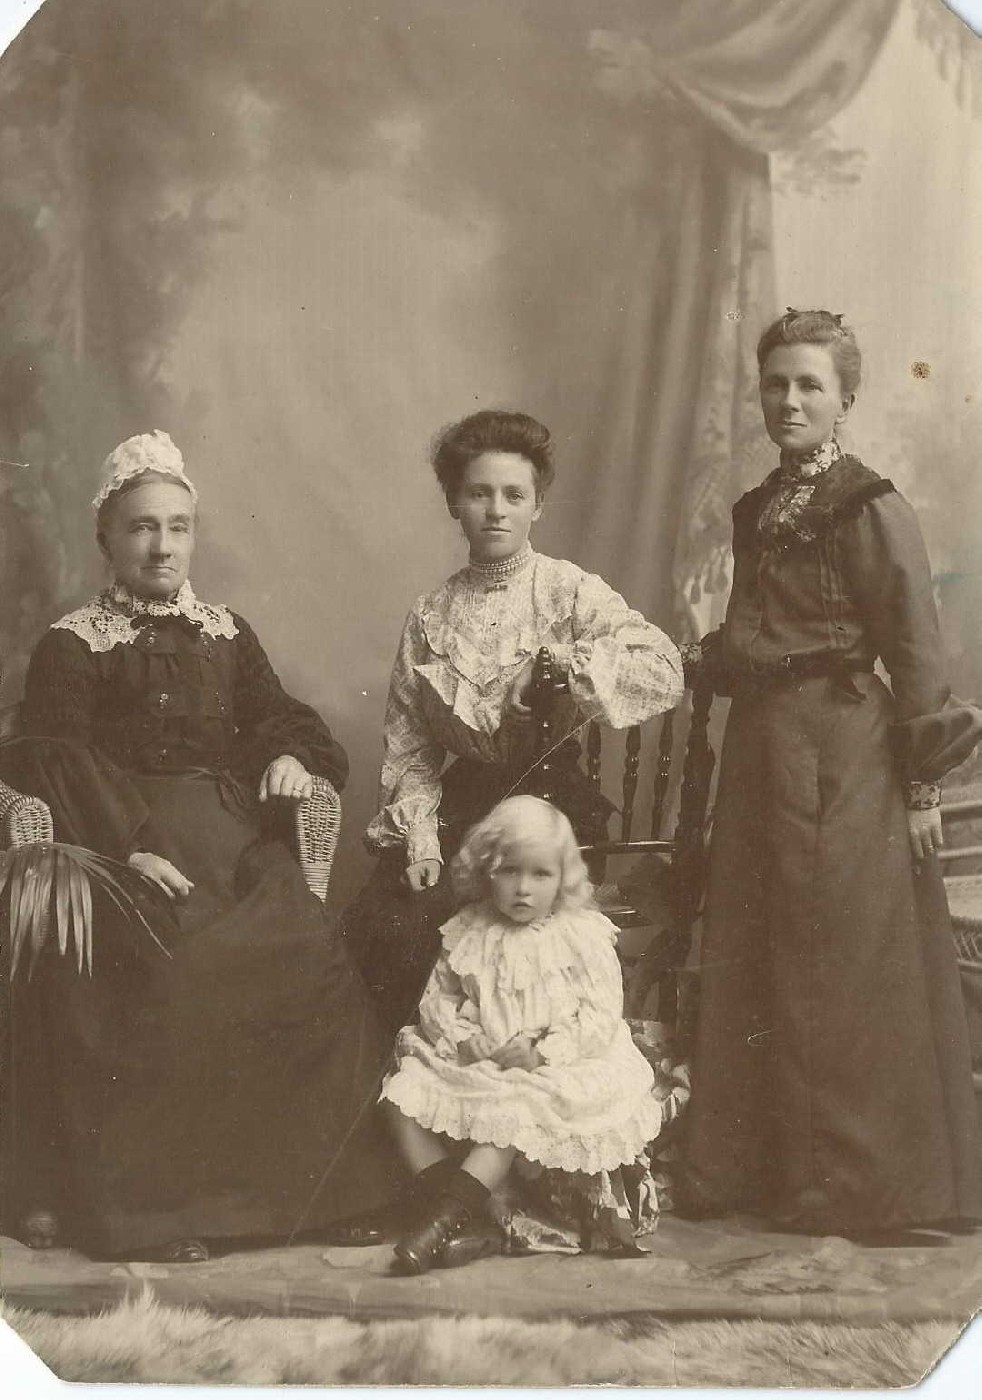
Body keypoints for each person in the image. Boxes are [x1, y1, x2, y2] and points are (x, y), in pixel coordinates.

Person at [0, 431, 397, 1261]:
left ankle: (317, 1199)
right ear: (107, 537)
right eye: (143, 527)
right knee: (180, 964)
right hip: (117, 847)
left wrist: (287, 755)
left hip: (229, 840)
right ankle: (169, 1212)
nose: (162, 545)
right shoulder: (73, 644)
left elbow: (277, 715)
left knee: (304, 951)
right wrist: (129, 847)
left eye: (178, 527)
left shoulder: (225, 634)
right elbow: (48, 758)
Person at [680, 310, 982, 1238]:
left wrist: (922, 789)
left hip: (846, 758)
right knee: (763, 951)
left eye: (810, 384)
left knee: (836, 962)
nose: (790, 400)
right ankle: (766, 1176)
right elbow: (754, 646)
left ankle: (848, 1187)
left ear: (846, 397)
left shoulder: (869, 505)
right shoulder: (757, 507)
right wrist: (702, 648)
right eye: (775, 383)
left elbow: (918, 653)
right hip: (764, 754)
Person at [340, 410, 684, 1036]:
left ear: (537, 506)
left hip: (552, 807)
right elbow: (410, 748)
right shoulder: (430, 616)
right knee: (384, 921)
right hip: (466, 802)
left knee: (485, 930)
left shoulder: (567, 590)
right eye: (479, 493)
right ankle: (415, 1094)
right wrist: (419, 840)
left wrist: (557, 660)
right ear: (454, 503)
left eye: (514, 495)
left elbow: (660, 669)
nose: (496, 510)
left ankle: (501, 1089)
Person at [380, 795, 664, 1273]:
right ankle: (467, 1221)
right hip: (478, 1058)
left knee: (508, 1116)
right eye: (508, 871)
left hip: (554, 1066)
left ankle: (437, 1226)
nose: (523, 889)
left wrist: (543, 1050)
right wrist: (460, 1036)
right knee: (399, 1098)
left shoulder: (582, 933)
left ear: (564, 877)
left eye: (540, 875)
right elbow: (437, 1000)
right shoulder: (468, 929)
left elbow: (599, 1018)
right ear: (485, 871)